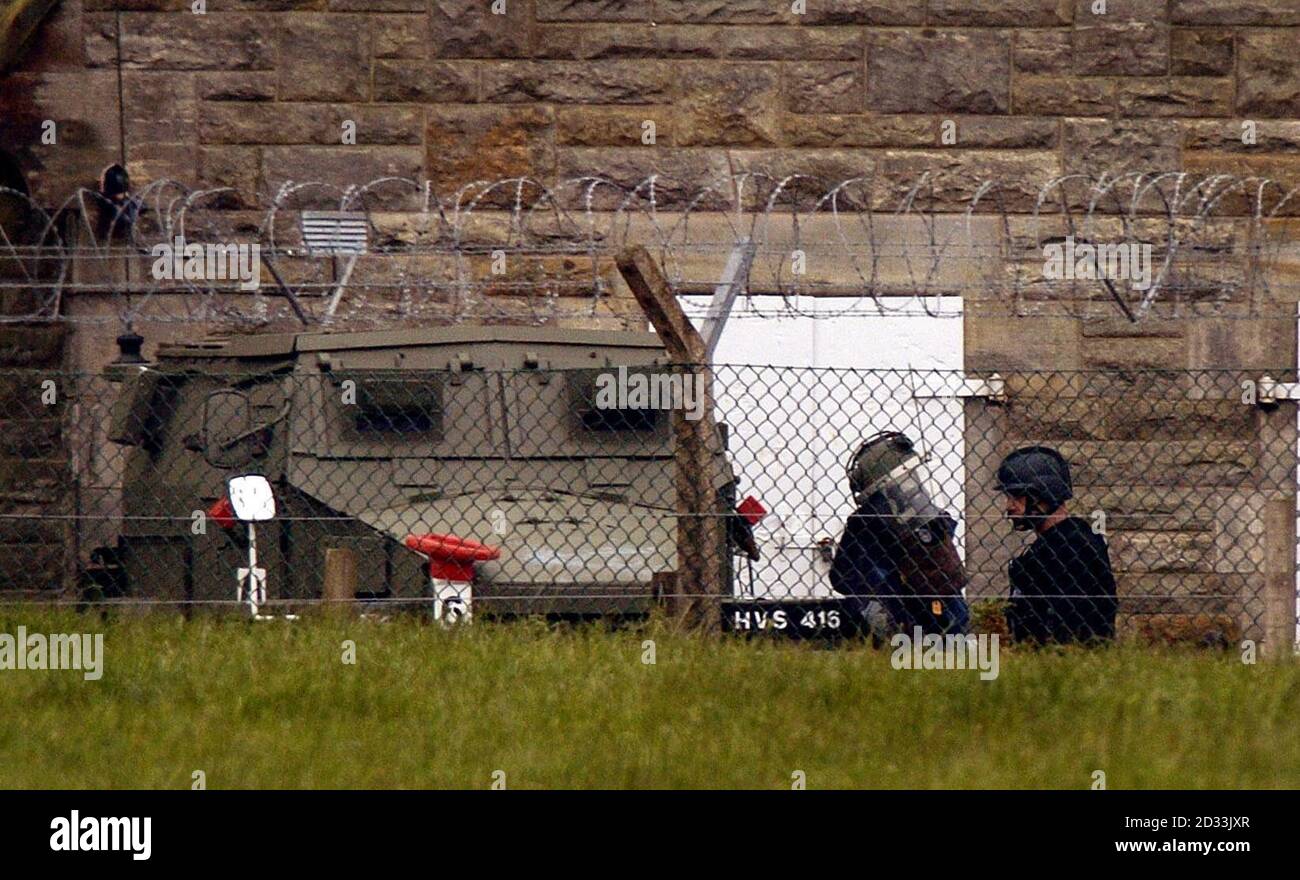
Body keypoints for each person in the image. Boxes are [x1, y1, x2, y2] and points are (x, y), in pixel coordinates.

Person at [830, 431, 969, 639]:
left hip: (901, 624)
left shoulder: (866, 522)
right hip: (939, 622)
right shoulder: (934, 519)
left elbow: (840, 577)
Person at [996, 446, 1117, 645]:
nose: (1009, 506)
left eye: (1017, 496)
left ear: (1043, 494)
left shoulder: (1072, 547)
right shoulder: (1052, 545)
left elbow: (1071, 626)